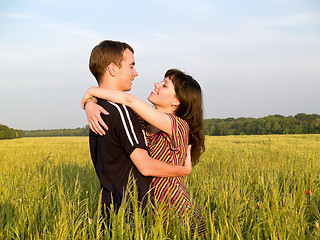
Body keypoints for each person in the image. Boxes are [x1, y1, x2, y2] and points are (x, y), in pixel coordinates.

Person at [82, 68, 206, 237]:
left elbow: (128, 100)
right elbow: (119, 104)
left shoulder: (178, 126)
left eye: (164, 85)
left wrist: (90, 91)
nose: (157, 84)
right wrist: (90, 104)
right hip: (152, 213)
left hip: (178, 212)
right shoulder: (143, 122)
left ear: (176, 100)